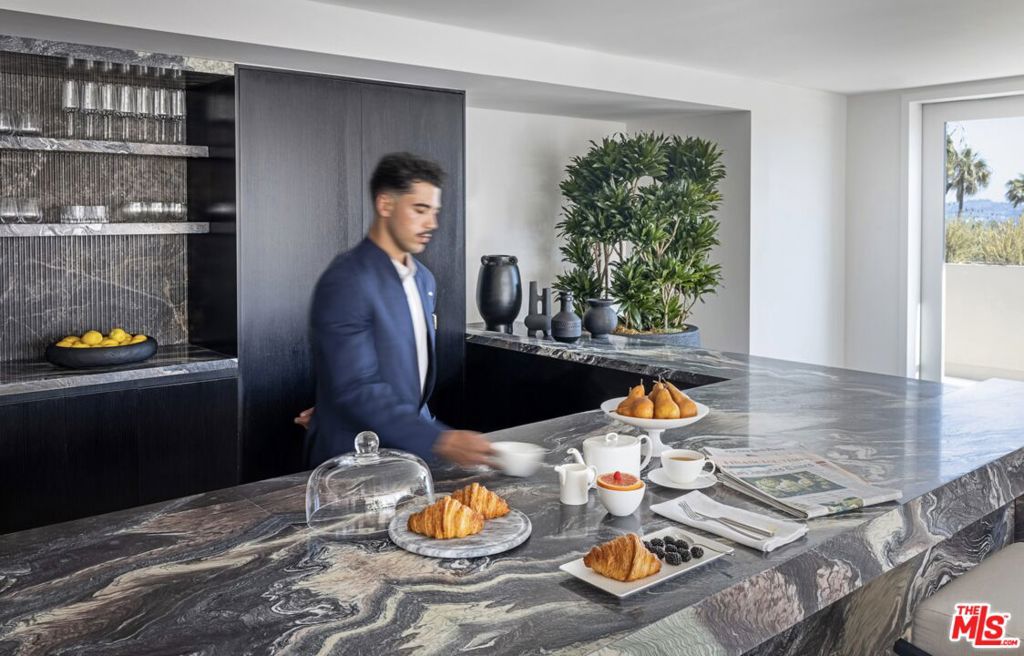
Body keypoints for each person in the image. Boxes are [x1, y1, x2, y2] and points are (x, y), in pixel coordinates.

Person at [303, 152, 494, 468]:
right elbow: (355, 387)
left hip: (406, 454)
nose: (432, 223)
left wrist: (427, 434)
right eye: (420, 209)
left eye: (434, 211)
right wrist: (439, 439)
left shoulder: (424, 279)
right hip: (353, 462)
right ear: (385, 204)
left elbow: (406, 373)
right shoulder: (346, 279)